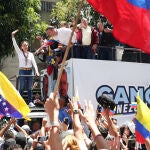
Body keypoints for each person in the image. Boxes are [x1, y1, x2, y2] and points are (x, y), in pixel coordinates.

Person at [12, 29, 39, 107]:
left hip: (30, 71)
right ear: (21, 47)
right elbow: (15, 45)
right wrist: (13, 36)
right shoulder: (20, 52)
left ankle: (30, 102)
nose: (25, 46)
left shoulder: (31, 54)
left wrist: (36, 71)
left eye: (26, 45)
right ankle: (20, 101)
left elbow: (34, 63)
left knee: (30, 87)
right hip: (22, 71)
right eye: (24, 45)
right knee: (22, 87)